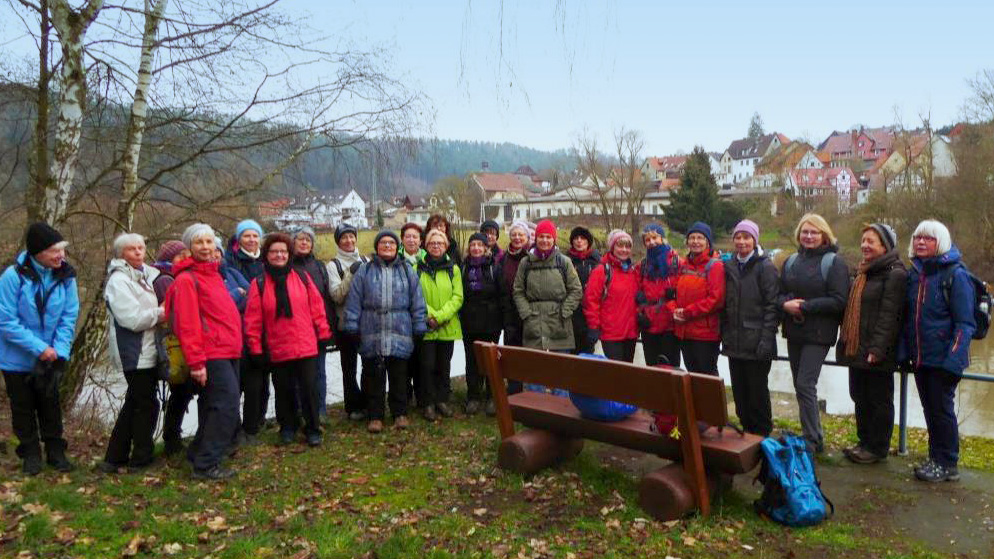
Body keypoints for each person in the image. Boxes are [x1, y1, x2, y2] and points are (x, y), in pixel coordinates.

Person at [898, 220, 975, 482]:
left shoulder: (956, 275)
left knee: (942, 412)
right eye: (918, 238)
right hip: (922, 358)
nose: (921, 242)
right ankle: (936, 459)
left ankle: (947, 463)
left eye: (928, 239)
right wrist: (905, 352)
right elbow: (909, 319)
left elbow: (965, 323)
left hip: (944, 359)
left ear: (940, 242)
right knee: (931, 410)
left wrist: (952, 360)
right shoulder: (916, 275)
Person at [0, 223, 79, 475]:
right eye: (55, 251)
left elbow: (69, 316)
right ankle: (30, 454)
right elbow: (6, 321)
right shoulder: (12, 277)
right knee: (23, 407)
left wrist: (59, 351)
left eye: (62, 250)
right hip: (17, 358)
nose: (61, 256)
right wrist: (39, 348)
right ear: (38, 253)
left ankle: (56, 452)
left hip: (52, 356)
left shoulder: (66, 276)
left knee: (50, 405)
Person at [166, 224, 243, 480]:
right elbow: (187, 325)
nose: (206, 247)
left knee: (214, 404)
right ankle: (206, 464)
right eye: (199, 242)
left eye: (209, 242)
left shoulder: (214, 274)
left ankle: (198, 451)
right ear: (189, 247)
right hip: (211, 353)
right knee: (226, 405)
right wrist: (197, 363)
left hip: (228, 348)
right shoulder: (187, 280)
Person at [245, 232, 332, 446]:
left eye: (283, 251)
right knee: (283, 391)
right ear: (267, 255)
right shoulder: (259, 284)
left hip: (305, 344)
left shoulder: (302, 278)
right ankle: (288, 426)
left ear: (289, 254)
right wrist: (255, 347)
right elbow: (253, 319)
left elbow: (317, 308)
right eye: (274, 252)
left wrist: (323, 333)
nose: (279, 255)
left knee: (309, 390)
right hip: (278, 346)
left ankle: (312, 428)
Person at [779, 213, 849, 453]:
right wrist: (785, 305)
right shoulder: (791, 261)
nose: (809, 236)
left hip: (819, 334)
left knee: (805, 383)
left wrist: (805, 306)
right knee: (801, 386)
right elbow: (780, 293)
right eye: (805, 232)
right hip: (794, 331)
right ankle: (812, 434)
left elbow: (840, 300)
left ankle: (812, 440)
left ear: (824, 235)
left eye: (814, 232)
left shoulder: (834, 263)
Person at [344, 231, 427, 433]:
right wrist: (352, 326)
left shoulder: (407, 270)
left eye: (391, 243)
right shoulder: (365, 270)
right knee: (374, 376)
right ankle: (375, 416)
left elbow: (417, 301)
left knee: (399, 375)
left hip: (400, 329)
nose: (387, 246)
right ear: (377, 246)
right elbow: (354, 301)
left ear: (396, 246)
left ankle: (400, 413)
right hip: (372, 329)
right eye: (383, 243)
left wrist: (419, 326)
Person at [836, 223, 906, 464]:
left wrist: (877, 349)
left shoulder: (894, 274)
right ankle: (863, 442)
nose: (865, 245)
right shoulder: (863, 272)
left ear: (885, 245)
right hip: (857, 348)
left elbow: (890, 315)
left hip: (877, 352)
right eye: (863, 240)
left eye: (871, 241)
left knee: (879, 400)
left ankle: (877, 448)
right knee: (860, 396)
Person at [100, 233, 166, 473]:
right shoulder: (119, 281)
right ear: (121, 254)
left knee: (135, 403)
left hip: (149, 349)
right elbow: (131, 319)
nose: (138, 252)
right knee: (145, 405)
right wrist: (160, 313)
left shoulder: (147, 276)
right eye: (131, 249)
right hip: (134, 353)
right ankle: (141, 458)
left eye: (141, 247)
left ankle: (114, 457)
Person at [721, 220, 779, 437]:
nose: (742, 241)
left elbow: (772, 306)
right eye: (738, 237)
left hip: (757, 344)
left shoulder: (765, 267)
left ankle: (763, 442)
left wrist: (766, 340)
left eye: (747, 237)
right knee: (740, 396)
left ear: (755, 240)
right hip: (735, 343)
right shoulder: (729, 266)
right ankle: (746, 439)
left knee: (757, 398)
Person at [225, 219, 269, 441]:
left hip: (268, 325)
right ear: (239, 238)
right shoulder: (230, 261)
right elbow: (235, 298)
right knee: (243, 380)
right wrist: (245, 296)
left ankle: (258, 421)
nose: (251, 240)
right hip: (241, 328)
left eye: (255, 236)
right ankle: (238, 426)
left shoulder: (267, 258)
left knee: (263, 379)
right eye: (247, 236)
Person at [513, 219, 583, 353]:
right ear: (536, 238)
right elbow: (518, 291)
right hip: (533, 326)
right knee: (537, 372)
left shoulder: (564, 262)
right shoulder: (525, 263)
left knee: (560, 371)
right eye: (541, 236)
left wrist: (565, 312)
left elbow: (576, 290)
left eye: (548, 237)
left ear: (554, 239)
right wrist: (526, 313)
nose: (544, 240)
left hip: (560, 327)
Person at [417, 229, 464, 420]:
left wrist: (441, 316)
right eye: (432, 243)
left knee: (444, 365)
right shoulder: (417, 269)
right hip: (426, 325)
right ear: (426, 246)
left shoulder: (454, 269)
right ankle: (428, 403)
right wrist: (431, 316)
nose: (436, 246)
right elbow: (416, 296)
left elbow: (458, 297)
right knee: (426, 366)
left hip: (446, 325)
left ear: (445, 246)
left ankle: (442, 400)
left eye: (440, 243)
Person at [152, 240, 193, 456]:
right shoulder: (166, 279)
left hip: (177, 342)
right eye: (180, 256)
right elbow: (174, 312)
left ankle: (172, 437)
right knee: (181, 391)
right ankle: (172, 438)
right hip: (175, 344)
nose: (185, 259)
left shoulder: (168, 276)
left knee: (182, 391)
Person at [669, 222, 725, 375]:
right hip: (685, 332)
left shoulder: (715, 266)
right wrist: (673, 310)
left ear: (707, 242)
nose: (695, 241)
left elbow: (715, 300)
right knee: (692, 375)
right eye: (692, 238)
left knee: (707, 378)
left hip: (705, 335)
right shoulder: (684, 265)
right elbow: (672, 293)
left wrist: (687, 312)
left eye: (700, 238)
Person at [290, 225, 334, 419]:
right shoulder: (287, 267)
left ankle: (320, 409)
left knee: (319, 371)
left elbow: (326, 299)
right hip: (295, 329)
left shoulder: (319, 266)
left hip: (318, 328)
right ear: (292, 242)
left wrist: (328, 326)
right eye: (300, 239)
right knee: (297, 375)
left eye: (308, 240)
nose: (304, 242)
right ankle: (300, 410)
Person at [327, 223, 368, 421]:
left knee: (368, 365)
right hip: (345, 325)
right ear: (338, 241)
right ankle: (352, 406)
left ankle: (368, 402)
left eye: (352, 237)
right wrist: (351, 273)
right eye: (344, 238)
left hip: (367, 323)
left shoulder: (366, 259)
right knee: (349, 368)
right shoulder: (333, 265)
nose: (349, 241)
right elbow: (336, 296)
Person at [460, 232, 503, 415]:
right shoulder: (463, 268)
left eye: (480, 245)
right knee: (471, 361)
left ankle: (491, 397)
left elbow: (502, 295)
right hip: (469, 321)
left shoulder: (494, 267)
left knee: (490, 361)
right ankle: (473, 396)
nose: (476, 248)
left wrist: (501, 319)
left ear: (486, 248)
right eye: (473, 245)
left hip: (490, 321)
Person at [583, 229, 639, 362]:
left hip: (630, 333)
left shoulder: (633, 271)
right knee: (616, 375)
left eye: (627, 246)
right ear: (612, 248)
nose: (624, 250)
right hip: (611, 333)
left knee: (628, 373)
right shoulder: (602, 271)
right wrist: (593, 326)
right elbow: (591, 301)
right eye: (620, 246)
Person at [635, 223, 681, 368]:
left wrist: (674, 297)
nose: (652, 242)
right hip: (649, 325)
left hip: (669, 326)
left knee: (670, 369)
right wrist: (639, 313)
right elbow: (636, 294)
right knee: (652, 370)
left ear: (663, 239)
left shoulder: (676, 262)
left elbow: (686, 290)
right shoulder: (642, 266)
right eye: (647, 240)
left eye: (655, 238)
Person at [400, 222, 425, 404]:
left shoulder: (427, 259)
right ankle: (405, 395)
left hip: (421, 316)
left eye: (415, 236)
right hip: (401, 318)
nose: (411, 240)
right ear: (402, 239)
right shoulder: (396, 260)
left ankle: (420, 393)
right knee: (403, 360)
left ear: (420, 240)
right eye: (407, 236)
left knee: (421, 358)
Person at [567, 226, 601, 354]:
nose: (579, 241)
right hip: (571, 316)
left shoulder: (597, 261)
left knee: (587, 357)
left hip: (590, 317)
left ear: (588, 242)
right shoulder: (566, 261)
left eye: (582, 238)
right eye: (576, 238)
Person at [214, 236, 249, 312]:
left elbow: (249, 290)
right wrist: (237, 292)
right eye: (212, 251)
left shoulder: (231, 272)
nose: (214, 255)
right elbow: (217, 304)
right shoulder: (203, 277)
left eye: (217, 251)